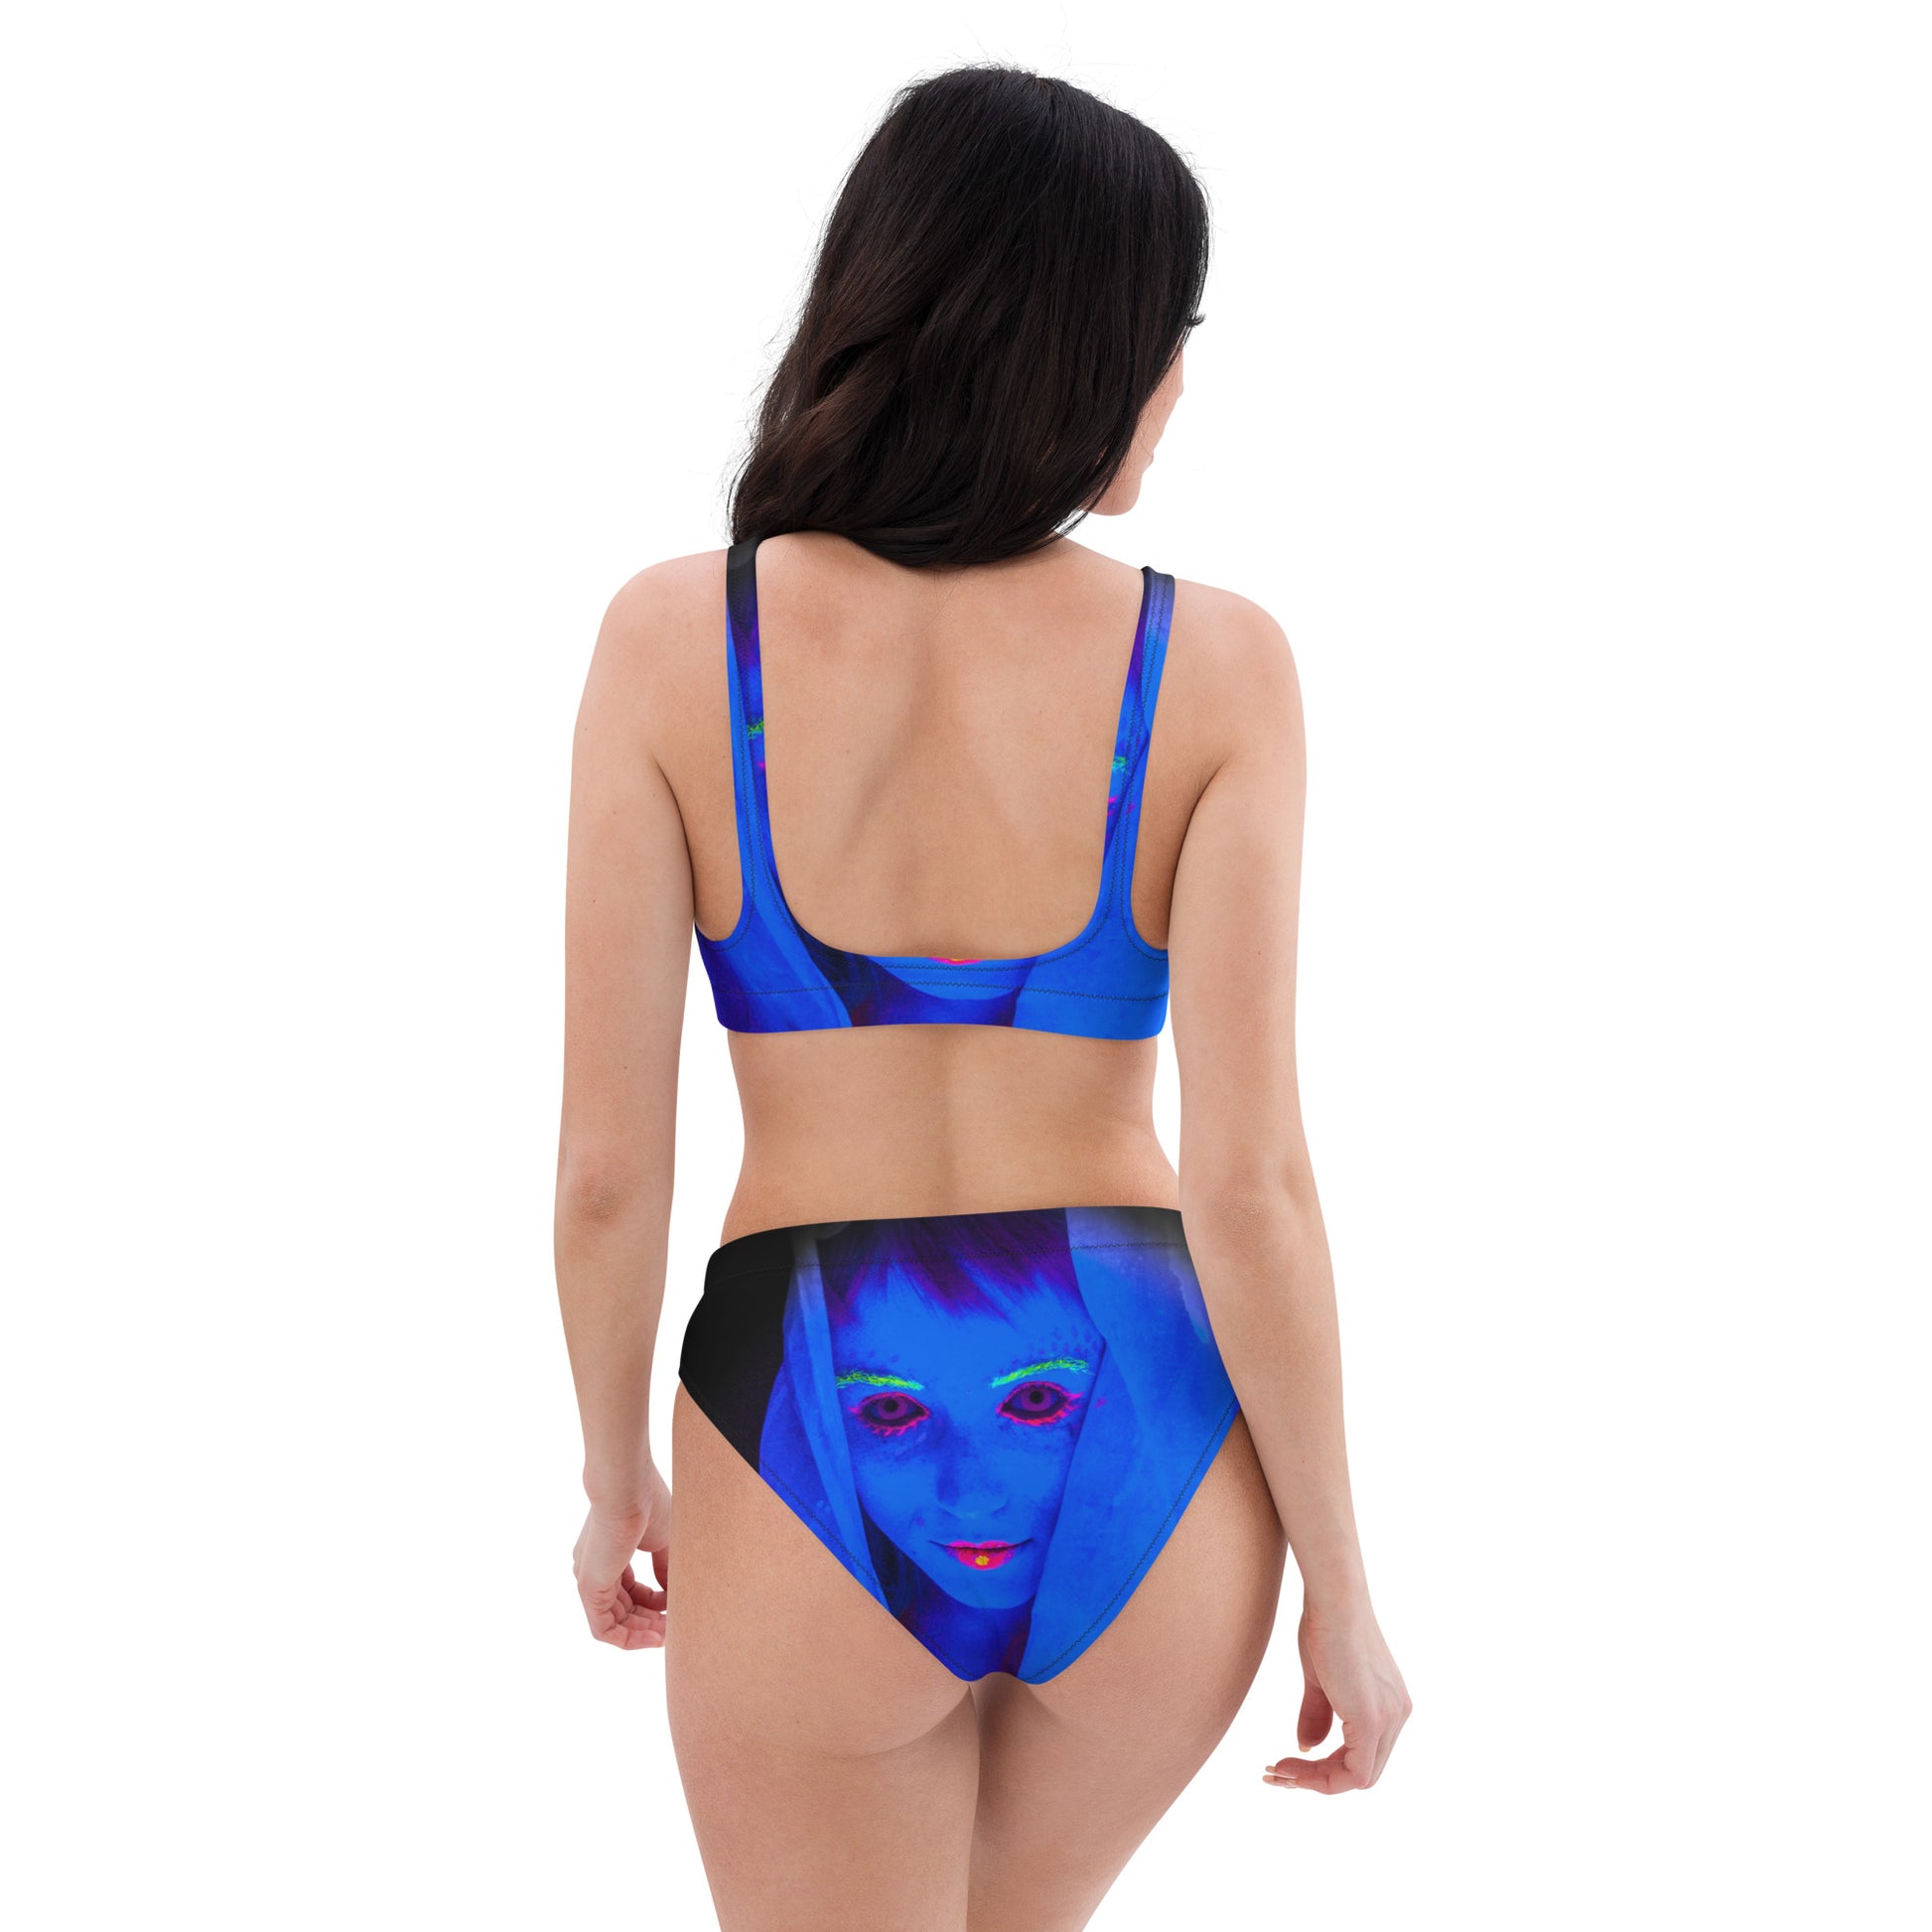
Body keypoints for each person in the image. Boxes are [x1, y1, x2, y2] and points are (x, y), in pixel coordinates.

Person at [555, 63, 1411, 1931]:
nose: (1172, 388)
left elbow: (610, 1169)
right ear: (1082, 348)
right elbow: (1254, 1182)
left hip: (807, 1401)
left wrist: (614, 1464)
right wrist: (1341, 1582)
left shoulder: (675, 640)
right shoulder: (1216, 666)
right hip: (1149, 1423)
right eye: (1167, 335)